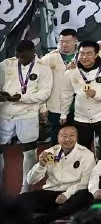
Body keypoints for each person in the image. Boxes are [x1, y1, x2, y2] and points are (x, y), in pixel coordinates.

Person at [0, 40, 52, 192]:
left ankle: (26, 187)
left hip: (27, 113)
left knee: (29, 151)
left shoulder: (43, 68)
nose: (20, 59)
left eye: (23, 56)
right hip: (4, 113)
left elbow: (44, 93)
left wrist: (22, 98)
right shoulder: (6, 64)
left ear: (33, 52)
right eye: (18, 56)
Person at [19, 125, 95, 224]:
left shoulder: (87, 155)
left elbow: (86, 181)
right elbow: (30, 180)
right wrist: (41, 165)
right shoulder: (50, 152)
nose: (67, 139)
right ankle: (62, 213)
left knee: (85, 196)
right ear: (58, 137)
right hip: (52, 192)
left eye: (72, 135)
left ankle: (47, 218)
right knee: (21, 199)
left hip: (73, 194)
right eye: (64, 136)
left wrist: (66, 195)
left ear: (77, 138)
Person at [60, 40, 101, 158]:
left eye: (89, 53)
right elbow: (66, 94)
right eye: (82, 53)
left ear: (96, 54)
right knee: (83, 150)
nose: (84, 57)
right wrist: (63, 114)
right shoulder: (71, 72)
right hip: (82, 118)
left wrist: (96, 94)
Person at [40, 28, 78, 145]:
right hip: (56, 106)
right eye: (61, 42)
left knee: (78, 138)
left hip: (79, 107)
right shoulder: (49, 58)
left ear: (75, 41)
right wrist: (42, 106)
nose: (64, 45)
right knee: (56, 137)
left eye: (68, 42)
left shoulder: (83, 56)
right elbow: (39, 82)